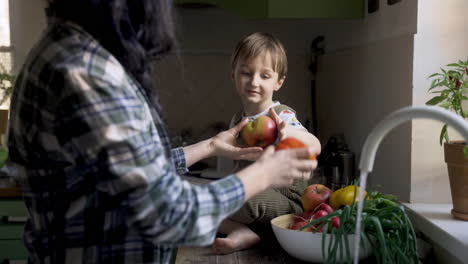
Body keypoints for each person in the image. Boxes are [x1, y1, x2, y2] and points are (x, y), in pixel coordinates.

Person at [7, 1, 318, 263]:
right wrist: (263, 173)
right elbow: (168, 213)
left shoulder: (68, 52)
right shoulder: (84, 73)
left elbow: (130, 176)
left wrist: (210, 146)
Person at [213, 32, 322, 254]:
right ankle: (243, 231)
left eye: (264, 76)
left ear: (278, 82)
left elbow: (314, 144)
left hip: (286, 202)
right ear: (233, 75)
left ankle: (257, 230)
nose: (254, 81)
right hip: (254, 196)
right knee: (204, 201)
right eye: (246, 73)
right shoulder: (239, 120)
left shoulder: (281, 116)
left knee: (240, 194)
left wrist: (288, 131)